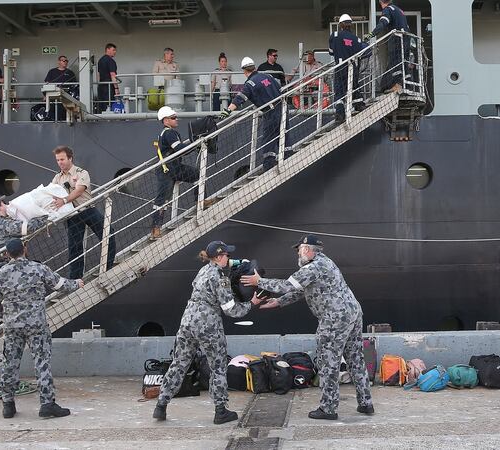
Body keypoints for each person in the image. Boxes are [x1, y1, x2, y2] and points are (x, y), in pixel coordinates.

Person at [241, 235, 374, 421]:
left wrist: (259, 282)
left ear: (308, 250)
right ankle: (366, 402)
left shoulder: (313, 267)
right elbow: (302, 290)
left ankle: (328, 408)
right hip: (352, 313)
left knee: (328, 363)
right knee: (356, 358)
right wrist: (278, 302)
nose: (298, 252)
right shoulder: (325, 262)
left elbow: (287, 285)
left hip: (334, 319)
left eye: (300, 249)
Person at [153, 240, 263, 424]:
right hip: (208, 324)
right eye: (227, 254)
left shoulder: (203, 270)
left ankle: (161, 405)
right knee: (218, 367)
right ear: (219, 257)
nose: (229, 257)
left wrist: (239, 262)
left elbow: (226, 265)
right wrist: (251, 303)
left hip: (188, 321)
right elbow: (231, 309)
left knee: (179, 364)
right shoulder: (220, 278)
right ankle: (220, 411)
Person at [0, 238, 83, 419]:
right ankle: (47, 404)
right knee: (42, 362)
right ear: (25, 249)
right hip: (36, 325)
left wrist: (5, 312)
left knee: (10, 364)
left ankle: (8, 404)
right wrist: (77, 283)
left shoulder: (1, 273)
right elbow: (60, 285)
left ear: (7, 254)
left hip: (12, 326)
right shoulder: (38, 268)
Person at [0, 197, 48, 343]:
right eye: (4, 203)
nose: (6, 205)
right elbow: (26, 228)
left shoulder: (0, 222)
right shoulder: (3, 223)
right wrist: (44, 217)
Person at [50, 145, 116, 279]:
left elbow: (79, 190)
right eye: (57, 160)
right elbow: (51, 193)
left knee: (108, 233)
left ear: (70, 158)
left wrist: (64, 200)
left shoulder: (81, 173)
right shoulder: (57, 178)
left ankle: (107, 266)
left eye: (62, 159)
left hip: (88, 210)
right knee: (75, 248)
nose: (60, 162)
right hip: (72, 216)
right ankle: (76, 279)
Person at [220, 57, 290, 171]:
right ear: (255, 67)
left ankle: (269, 165)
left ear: (244, 71)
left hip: (270, 112)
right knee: (284, 135)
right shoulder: (268, 76)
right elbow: (281, 89)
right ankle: (288, 156)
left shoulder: (250, 83)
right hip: (283, 107)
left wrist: (227, 110)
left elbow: (240, 98)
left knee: (269, 138)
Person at [150, 106, 209, 240]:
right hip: (168, 170)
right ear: (165, 121)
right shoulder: (170, 133)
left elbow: (179, 149)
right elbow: (179, 149)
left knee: (196, 174)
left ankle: (201, 201)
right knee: (162, 200)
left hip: (173, 168)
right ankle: (155, 229)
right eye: (173, 118)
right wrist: (196, 145)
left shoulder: (167, 133)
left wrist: (193, 145)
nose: (176, 119)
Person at [365, 0, 412, 93]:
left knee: (395, 63)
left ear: (381, 2)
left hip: (397, 40)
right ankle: (406, 85)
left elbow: (383, 23)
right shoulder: (399, 10)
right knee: (403, 64)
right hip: (406, 39)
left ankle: (396, 86)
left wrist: (371, 35)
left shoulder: (387, 10)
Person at [329, 14, 368, 123]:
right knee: (354, 86)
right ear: (350, 25)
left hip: (341, 67)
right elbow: (364, 53)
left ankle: (340, 115)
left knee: (339, 91)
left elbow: (331, 52)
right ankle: (359, 105)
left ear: (341, 24)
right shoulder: (357, 39)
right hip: (354, 67)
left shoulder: (335, 35)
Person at [44, 55, 78, 120]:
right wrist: (45, 95)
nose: (65, 62)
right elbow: (47, 84)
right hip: (54, 96)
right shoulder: (52, 71)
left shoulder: (70, 73)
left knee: (65, 112)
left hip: (67, 96)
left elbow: (75, 85)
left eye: (66, 61)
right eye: (63, 60)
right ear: (59, 62)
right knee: (54, 111)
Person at [96, 43, 119, 112]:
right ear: (107, 49)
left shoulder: (100, 60)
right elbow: (113, 75)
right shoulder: (111, 61)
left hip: (101, 86)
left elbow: (98, 74)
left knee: (102, 106)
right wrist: (116, 88)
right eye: (113, 50)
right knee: (110, 104)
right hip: (109, 87)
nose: (115, 52)